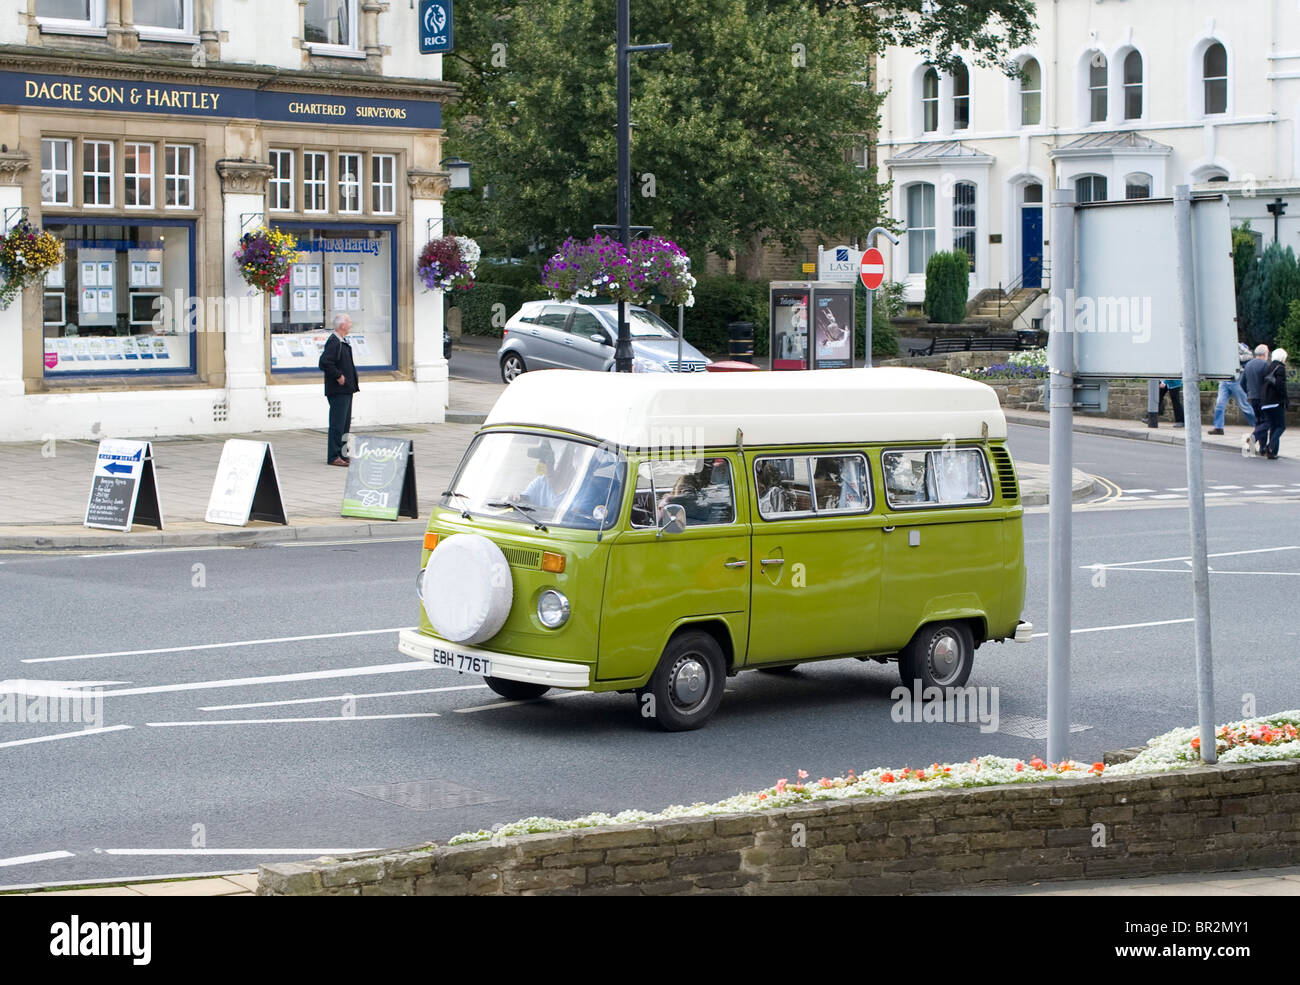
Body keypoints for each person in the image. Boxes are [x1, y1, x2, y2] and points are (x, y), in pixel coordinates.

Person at [319, 313, 359, 466]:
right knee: (337, 424)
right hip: (338, 390)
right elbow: (324, 362)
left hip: (346, 390)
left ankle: (343, 454)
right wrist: (339, 376)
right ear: (342, 325)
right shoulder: (334, 342)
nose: (350, 324)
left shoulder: (342, 341)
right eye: (348, 322)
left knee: (345, 424)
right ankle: (334, 456)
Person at [1209, 343, 1257, 435]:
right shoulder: (1218, 346)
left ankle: (1258, 424)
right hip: (1223, 379)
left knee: (1244, 405)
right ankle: (1218, 428)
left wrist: (1236, 358)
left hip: (1236, 378)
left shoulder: (1236, 344)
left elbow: (1250, 355)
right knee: (1219, 404)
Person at [1258, 348, 1290, 460]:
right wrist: (1285, 399)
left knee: (1273, 427)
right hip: (1275, 402)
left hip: (1265, 402)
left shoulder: (1268, 367)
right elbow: (1281, 386)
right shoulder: (1280, 368)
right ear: (1282, 357)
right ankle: (1270, 447)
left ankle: (1271, 453)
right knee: (1281, 426)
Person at [1243, 344, 1273, 456]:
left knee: (1259, 422)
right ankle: (1253, 438)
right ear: (1265, 354)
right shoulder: (1265, 365)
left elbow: (1242, 383)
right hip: (1263, 398)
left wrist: (1249, 392)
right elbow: (1270, 382)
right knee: (1267, 422)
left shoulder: (1248, 365)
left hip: (1252, 398)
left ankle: (1262, 448)